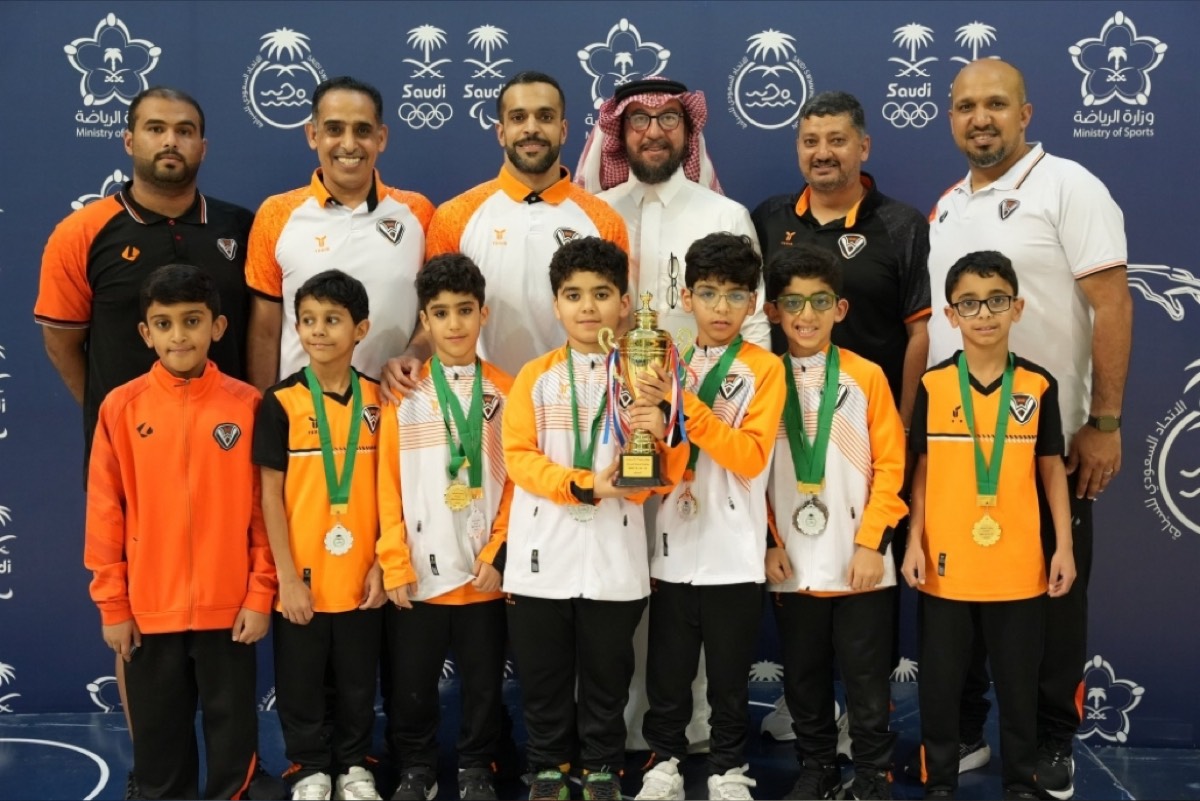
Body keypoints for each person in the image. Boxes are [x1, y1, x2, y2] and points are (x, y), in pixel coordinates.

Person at [35, 85, 259, 800]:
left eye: (185, 130)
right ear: (128, 140)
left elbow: (261, 331)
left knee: (223, 641)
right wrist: (119, 418)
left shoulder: (240, 227)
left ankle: (232, 780)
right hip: (134, 451)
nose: (171, 141)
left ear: (203, 145)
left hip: (227, 449)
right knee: (141, 625)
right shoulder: (83, 231)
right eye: (155, 128)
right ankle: (154, 775)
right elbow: (62, 340)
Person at [926, 60, 1131, 800]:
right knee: (960, 598)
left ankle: (1051, 743)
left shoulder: (1070, 186)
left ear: (1026, 112)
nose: (980, 118)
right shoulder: (946, 206)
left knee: (1053, 600)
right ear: (951, 118)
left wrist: (1103, 421)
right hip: (956, 446)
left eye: (995, 104)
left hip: (1047, 443)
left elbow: (1113, 304)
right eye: (965, 106)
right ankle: (968, 732)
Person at [751, 88, 931, 766]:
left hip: (866, 432)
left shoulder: (901, 224)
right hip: (785, 432)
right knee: (798, 584)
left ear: (864, 146)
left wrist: (902, 426)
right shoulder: (769, 217)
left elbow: (919, 335)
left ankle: (866, 716)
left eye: (836, 140)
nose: (822, 152)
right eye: (810, 141)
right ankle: (810, 714)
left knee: (864, 587)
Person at [501, 237, 686, 801]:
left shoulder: (648, 373)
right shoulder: (534, 376)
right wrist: (585, 485)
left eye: (602, 294)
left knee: (608, 673)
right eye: (574, 295)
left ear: (624, 304)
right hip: (541, 554)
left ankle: (603, 766)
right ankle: (548, 767)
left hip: (614, 551)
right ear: (556, 305)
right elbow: (518, 458)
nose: (588, 307)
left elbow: (670, 465)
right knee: (544, 675)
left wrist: (650, 444)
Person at [85, 264, 276, 800]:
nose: (178, 336)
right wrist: (114, 605)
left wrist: (259, 593)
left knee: (233, 750)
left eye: (192, 321)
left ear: (217, 326)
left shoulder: (248, 406)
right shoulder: (121, 408)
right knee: (159, 753)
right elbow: (105, 512)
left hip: (230, 612)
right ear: (145, 333)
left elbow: (264, 513)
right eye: (164, 324)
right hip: (149, 611)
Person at [903, 250, 1076, 800]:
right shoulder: (933, 386)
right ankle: (940, 780)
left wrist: (1064, 547)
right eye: (970, 303)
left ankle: (1021, 781)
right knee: (941, 681)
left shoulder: (1038, 385)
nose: (984, 314)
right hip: (946, 561)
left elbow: (1052, 470)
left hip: (1018, 564)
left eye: (996, 300)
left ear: (1016, 308)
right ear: (950, 315)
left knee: (1019, 683)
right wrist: (913, 543)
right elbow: (921, 471)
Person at [633, 233, 785, 801]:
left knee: (728, 677)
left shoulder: (765, 369)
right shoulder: (663, 361)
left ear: (753, 302)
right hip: (673, 543)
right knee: (668, 674)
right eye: (708, 293)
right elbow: (657, 461)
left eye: (735, 295)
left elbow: (749, 456)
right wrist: (654, 431)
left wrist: (684, 409)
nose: (722, 308)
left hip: (734, 551)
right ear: (686, 297)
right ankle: (665, 762)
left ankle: (728, 767)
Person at [761, 245, 907, 801]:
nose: (807, 314)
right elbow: (747, 475)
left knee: (866, 679)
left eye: (820, 301)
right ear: (773, 311)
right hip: (791, 560)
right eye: (793, 302)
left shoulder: (866, 376)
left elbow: (892, 467)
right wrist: (769, 542)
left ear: (840, 309)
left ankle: (871, 775)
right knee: (803, 677)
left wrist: (872, 544)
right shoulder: (763, 379)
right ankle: (817, 766)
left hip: (859, 560)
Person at [377, 254, 514, 801]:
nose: (454, 324)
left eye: (464, 310)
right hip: (418, 570)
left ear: (484, 314)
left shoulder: (508, 391)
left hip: (484, 574)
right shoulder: (401, 397)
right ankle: (416, 767)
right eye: (440, 313)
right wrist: (393, 560)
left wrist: (499, 551)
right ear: (424, 321)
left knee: (483, 683)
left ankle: (478, 765)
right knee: (412, 685)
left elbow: (520, 484)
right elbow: (386, 484)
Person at [253, 270, 387, 801]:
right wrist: (286, 577)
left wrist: (383, 562)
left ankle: (354, 763)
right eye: (308, 320)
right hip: (303, 576)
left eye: (332, 320)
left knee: (357, 680)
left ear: (361, 329)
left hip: (363, 576)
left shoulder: (379, 399)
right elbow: (269, 495)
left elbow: (393, 489)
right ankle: (308, 766)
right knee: (301, 680)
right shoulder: (280, 402)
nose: (318, 330)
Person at [409, 71, 628, 379]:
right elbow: (436, 316)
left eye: (545, 117)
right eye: (518, 117)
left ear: (564, 130)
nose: (531, 128)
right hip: (480, 400)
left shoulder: (604, 219)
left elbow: (619, 321)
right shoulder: (455, 216)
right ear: (501, 132)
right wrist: (411, 354)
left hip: (576, 400)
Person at [245, 76, 434, 390]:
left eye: (362, 130)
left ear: (381, 138)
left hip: (395, 408)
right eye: (334, 129)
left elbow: (438, 311)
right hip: (304, 413)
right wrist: (266, 409)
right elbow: (265, 332)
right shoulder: (276, 214)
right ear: (313, 134)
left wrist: (414, 352)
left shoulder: (419, 213)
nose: (348, 144)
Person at [590, 77, 769, 349]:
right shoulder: (596, 214)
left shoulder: (726, 217)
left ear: (688, 131)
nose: (654, 132)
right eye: (639, 118)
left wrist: (758, 377)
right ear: (620, 131)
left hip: (706, 376)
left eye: (669, 118)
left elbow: (752, 323)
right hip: (608, 374)